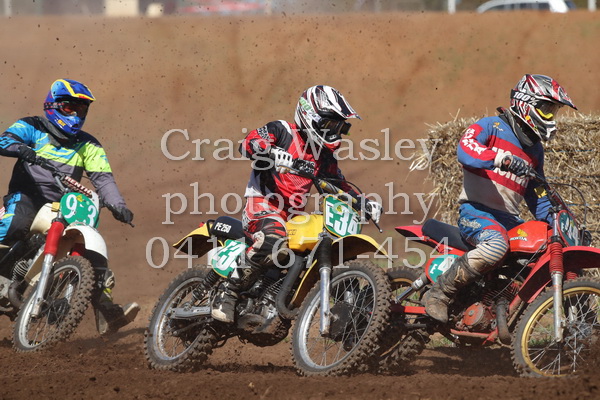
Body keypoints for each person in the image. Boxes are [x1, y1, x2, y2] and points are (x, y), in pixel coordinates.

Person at [211, 85, 383, 323]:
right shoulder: (282, 131)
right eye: (330, 125)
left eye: (340, 127)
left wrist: (363, 202)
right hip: (262, 205)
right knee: (273, 239)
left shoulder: (324, 156)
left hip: (293, 216)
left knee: (315, 247)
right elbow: (249, 142)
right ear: (309, 115)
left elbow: (338, 184)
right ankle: (227, 292)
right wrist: (270, 151)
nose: (335, 132)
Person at [423, 74, 577, 323]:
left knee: (541, 249)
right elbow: (465, 149)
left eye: (554, 111)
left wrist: (560, 221)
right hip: (477, 212)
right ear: (527, 103)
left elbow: (537, 194)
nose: (551, 117)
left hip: (509, 219)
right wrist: (499, 158)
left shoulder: (535, 149)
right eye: (547, 109)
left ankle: (503, 308)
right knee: (496, 246)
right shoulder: (490, 126)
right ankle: (439, 293)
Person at [0, 78, 140, 335]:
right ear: (53, 105)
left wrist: (118, 205)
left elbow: (103, 179)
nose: (75, 115)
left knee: (92, 251)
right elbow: (4, 141)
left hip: (65, 204)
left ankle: (107, 312)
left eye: (81, 109)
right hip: (27, 196)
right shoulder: (33, 126)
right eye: (69, 107)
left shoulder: (89, 145)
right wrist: (22, 149)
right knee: (15, 223)